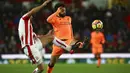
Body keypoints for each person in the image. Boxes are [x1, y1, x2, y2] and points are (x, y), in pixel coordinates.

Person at [18, 0, 78, 73]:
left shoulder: (27, 25)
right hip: (29, 47)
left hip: (34, 43)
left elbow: (36, 36)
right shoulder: (24, 18)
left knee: (51, 37)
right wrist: (43, 5)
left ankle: (69, 48)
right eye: (31, 16)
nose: (32, 17)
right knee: (41, 69)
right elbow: (32, 11)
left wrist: (47, 35)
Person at [46, 3, 83, 73]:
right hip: (58, 43)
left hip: (68, 40)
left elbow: (70, 30)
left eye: (64, 10)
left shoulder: (68, 18)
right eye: (62, 10)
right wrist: (57, 12)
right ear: (57, 10)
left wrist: (74, 40)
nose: (64, 11)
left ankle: (75, 46)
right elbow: (48, 20)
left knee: (75, 45)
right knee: (52, 63)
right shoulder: (54, 19)